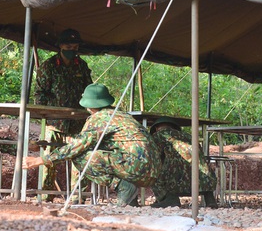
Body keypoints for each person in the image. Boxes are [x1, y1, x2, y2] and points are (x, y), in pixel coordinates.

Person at [24, 83, 162, 207]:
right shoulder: (122, 115)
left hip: (136, 167)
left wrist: (41, 160)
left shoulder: (99, 118)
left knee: (81, 157)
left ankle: (123, 187)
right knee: (111, 155)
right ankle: (130, 199)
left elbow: (77, 147)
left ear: (89, 105)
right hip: (154, 172)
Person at [33, 28, 92, 199]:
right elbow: (40, 93)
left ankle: (77, 197)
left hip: (77, 123)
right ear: (60, 46)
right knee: (48, 160)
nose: (72, 49)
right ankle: (45, 197)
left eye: (75, 46)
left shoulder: (82, 65)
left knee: (79, 158)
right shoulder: (49, 66)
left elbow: (88, 90)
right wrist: (45, 112)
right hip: (54, 122)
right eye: (68, 45)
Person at [149, 117, 218, 208]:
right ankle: (210, 199)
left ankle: (169, 198)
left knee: (152, 173)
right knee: (202, 168)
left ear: (157, 128)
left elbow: (154, 157)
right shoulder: (189, 136)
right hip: (202, 178)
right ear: (174, 127)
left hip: (177, 177)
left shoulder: (157, 136)